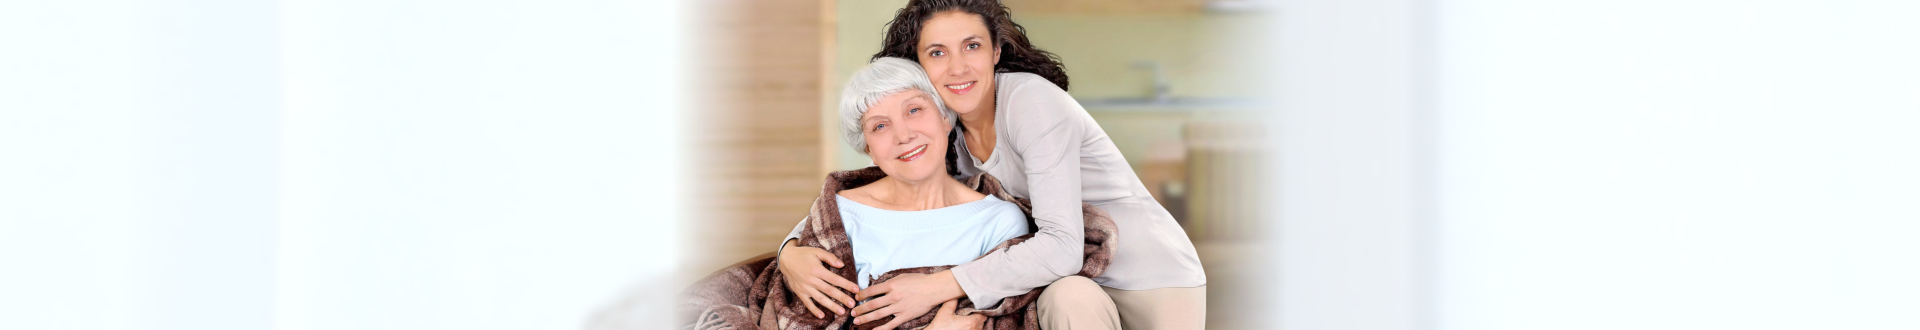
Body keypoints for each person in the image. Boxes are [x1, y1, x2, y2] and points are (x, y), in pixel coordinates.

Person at [787, 1, 1210, 329]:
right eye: (937, 53)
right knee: (1067, 296)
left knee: (1067, 292)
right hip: (1066, 282)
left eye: (971, 46)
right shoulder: (942, 127)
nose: (958, 67)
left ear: (996, 52)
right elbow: (871, 191)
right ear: (920, 67)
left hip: (1147, 276)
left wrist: (933, 287)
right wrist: (791, 253)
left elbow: (1062, 246)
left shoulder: (1030, 102)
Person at [777, 57, 1032, 330]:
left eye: (913, 110)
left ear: (945, 118)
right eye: (880, 126)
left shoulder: (999, 221)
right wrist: (787, 254)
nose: (903, 135)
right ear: (869, 151)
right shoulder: (840, 213)